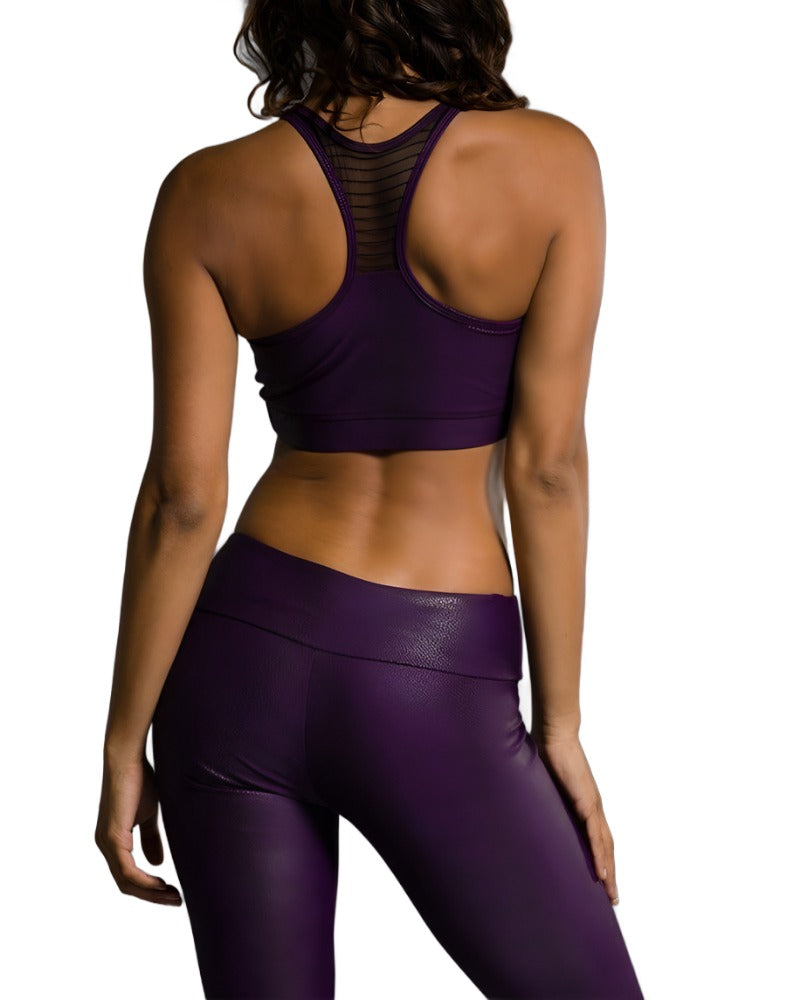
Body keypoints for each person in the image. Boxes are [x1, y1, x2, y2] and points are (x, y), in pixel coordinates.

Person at [95, 2, 645, 997]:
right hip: (431, 671)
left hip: (238, 662)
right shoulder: (550, 161)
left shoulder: (206, 190)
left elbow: (182, 500)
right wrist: (559, 725)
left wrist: (123, 738)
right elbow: (547, 467)